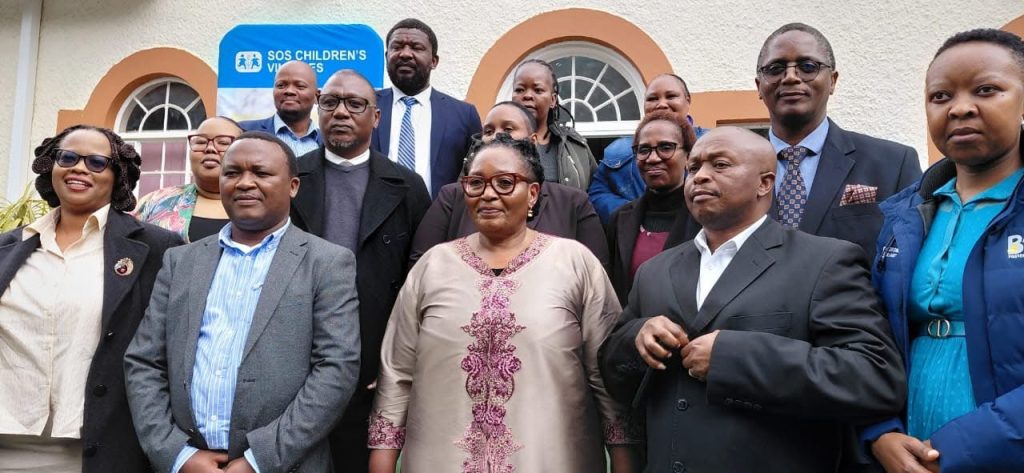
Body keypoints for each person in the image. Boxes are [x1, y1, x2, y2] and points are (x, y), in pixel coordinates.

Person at [600, 127, 906, 473]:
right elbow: (613, 374)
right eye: (694, 167)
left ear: (764, 184)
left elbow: (875, 377)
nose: (700, 176)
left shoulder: (823, 262)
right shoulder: (654, 271)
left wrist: (733, 359)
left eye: (720, 165)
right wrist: (636, 339)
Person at [368, 135, 639, 472]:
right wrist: (382, 456)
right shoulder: (433, 267)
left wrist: (623, 455)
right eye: (476, 183)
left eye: (505, 183)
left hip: (551, 460)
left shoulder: (574, 264)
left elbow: (608, 374)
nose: (488, 194)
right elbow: (396, 373)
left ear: (533, 194)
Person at [125, 132, 361, 473]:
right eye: (232, 172)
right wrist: (175, 454)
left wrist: (259, 460)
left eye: (261, 173)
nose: (245, 183)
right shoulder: (180, 261)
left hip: (285, 465)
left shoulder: (327, 263)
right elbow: (144, 361)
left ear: (293, 186)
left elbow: (336, 369)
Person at [866, 29, 1024, 473]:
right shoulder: (905, 216)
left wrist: (958, 448)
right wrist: (879, 432)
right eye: (940, 96)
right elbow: (872, 338)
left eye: (986, 90)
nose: (959, 108)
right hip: (906, 449)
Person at [0, 125, 181, 472]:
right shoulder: (6, 248)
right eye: (68, 157)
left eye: (97, 162)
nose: (80, 168)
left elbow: (169, 352)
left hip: (96, 451)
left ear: (118, 175)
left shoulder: (156, 248)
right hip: (5, 445)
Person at [290, 69, 430, 473]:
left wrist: (396, 359)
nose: (341, 112)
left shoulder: (407, 186)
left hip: (373, 362)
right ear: (318, 109)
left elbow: (418, 282)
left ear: (376, 117)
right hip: (297, 357)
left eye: (355, 104)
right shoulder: (288, 178)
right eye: (330, 102)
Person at [755, 23, 921, 261]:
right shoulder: (729, 170)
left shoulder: (893, 164)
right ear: (759, 86)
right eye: (775, 68)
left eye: (808, 66)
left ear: (832, 81)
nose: (790, 77)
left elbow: (910, 258)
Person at [411, 101, 609, 265]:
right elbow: (422, 263)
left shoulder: (573, 202)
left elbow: (595, 273)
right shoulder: (453, 197)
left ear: (532, 140)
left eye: (508, 129)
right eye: (488, 131)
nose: (497, 136)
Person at [370, 18, 482, 197]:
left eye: (416, 48)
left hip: (439, 213)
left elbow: (476, 175)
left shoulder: (464, 115)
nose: (405, 54)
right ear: (386, 57)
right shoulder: (365, 106)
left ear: (434, 61)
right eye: (397, 47)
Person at [606, 111, 701, 305]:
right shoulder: (620, 219)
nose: (653, 158)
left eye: (666, 147)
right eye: (644, 150)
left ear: (688, 157)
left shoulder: (706, 218)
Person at [589, 73, 709, 223]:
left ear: (687, 101)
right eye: (652, 99)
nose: (662, 104)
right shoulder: (619, 151)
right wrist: (634, 212)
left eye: (671, 96)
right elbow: (598, 193)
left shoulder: (713, 144)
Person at [134, 116, 242, 242]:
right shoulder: (155, 202)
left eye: (223, 143)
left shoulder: (258, 206)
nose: (210, 148)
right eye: (200, 142)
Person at [511, 58, 598, 191]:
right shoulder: (494, 143)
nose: (527, 95)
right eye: (519, 90)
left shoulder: (576, 147)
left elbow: (596, 194)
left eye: (538, 90)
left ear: (553, 100)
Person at [239, 60, 322, 157]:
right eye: (281, 85)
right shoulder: (244, 132)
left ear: (317, 97)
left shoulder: (330, 143)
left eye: (300, 86)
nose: (289, 91)